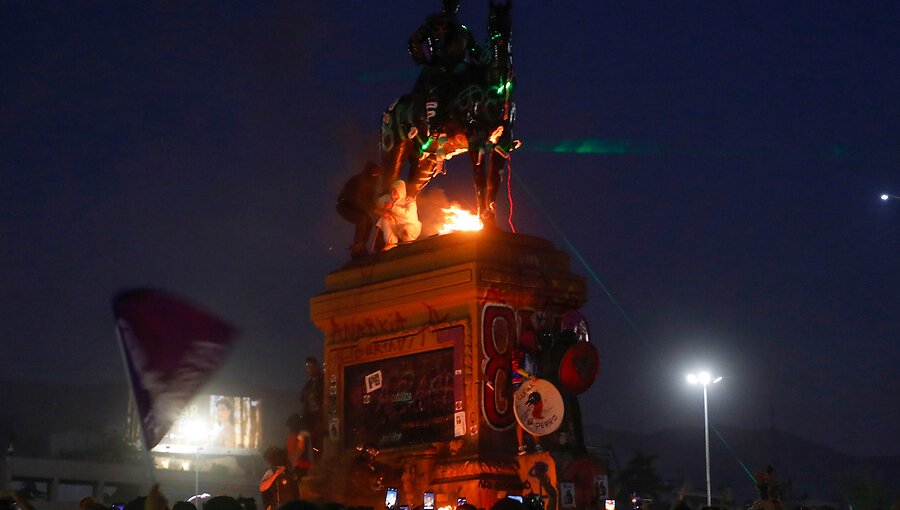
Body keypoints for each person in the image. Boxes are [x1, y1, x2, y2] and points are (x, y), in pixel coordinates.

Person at [408, 0, 480, 137]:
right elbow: (415, 41)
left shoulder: (463, 30)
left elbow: (474, 50)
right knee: (434, 84)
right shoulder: (434, 24)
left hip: (460, 67)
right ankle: (432, 124)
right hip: (439, 66)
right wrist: (423, 57)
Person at [336, 162, 381, 259]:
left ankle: (362, 246)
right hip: (344, 205)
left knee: (369, 221)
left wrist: (379, 212)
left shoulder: (372, 183)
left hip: (355, 206)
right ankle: (357, 248)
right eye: (374, 173)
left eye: (377, 174)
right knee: (362, 219)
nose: (376, 176)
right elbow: (357, 199)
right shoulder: (359, 180)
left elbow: (370, 200)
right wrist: (374, 210)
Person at [375, 180, 422, 250]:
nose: (392, 194)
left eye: (395, 192)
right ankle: (391, 243)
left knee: (407, 230)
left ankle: (407, 246)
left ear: (401, 192)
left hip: (409, 226)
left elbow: (408, 214)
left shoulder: (410, 201)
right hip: (396, 226)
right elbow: (375, 207)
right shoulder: (386, 199)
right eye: (392, 191)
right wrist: (381, 213)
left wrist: (393, 207)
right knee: (384, 219)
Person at [299, 357, 325, 454]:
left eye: (312, 366)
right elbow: (303, 401)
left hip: (323, 418)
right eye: (308, 367)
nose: (310, 369)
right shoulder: (307, 386)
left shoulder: (325, 380)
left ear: (317, 367)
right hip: (311, 420)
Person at [286, 414, 314, 489]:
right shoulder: (301, 436)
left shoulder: (298, 436)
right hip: (300, 466)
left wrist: (292, 462)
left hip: (300, 466)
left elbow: (299, 450)